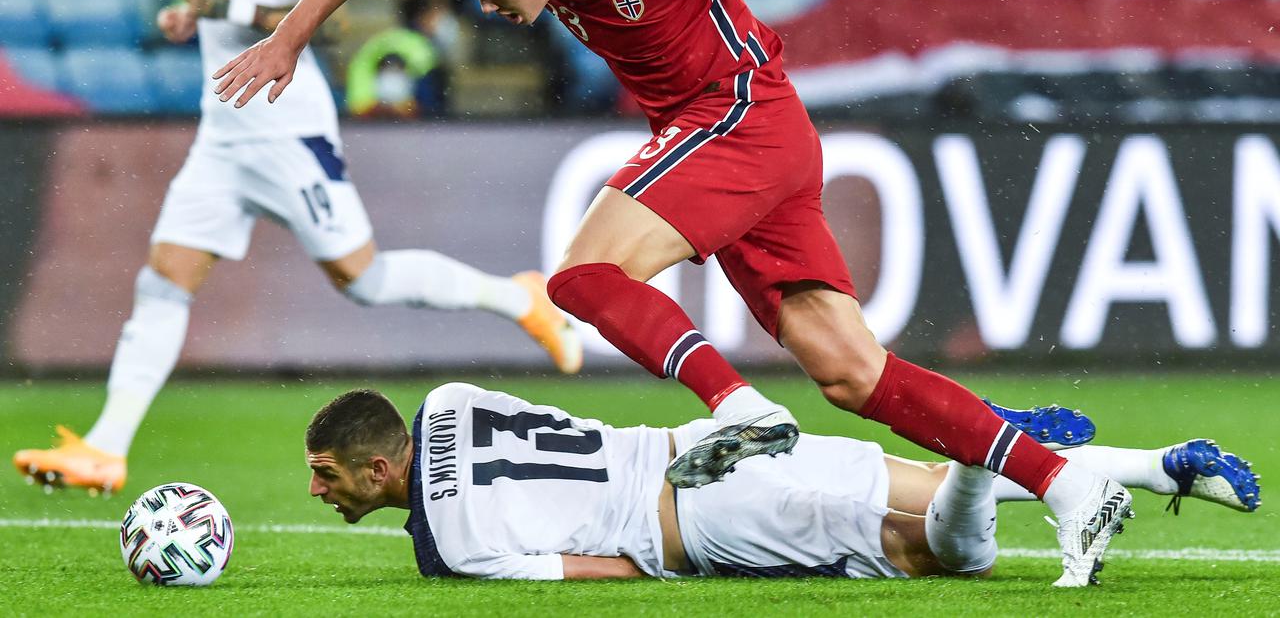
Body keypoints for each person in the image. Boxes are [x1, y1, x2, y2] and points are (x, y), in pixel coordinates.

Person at [210, 0, 1132, 587]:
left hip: (739, 117)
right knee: (855, 375)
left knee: (580, 274)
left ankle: (739, 407)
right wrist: (288, 40)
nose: (492, 11)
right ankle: (1068, 482)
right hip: (727, 136)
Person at [12, 0, 580, 497]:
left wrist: (235, 9)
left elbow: (329, 17)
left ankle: (517, 297)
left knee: (366, 281)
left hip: (285, 131)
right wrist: (196, 14)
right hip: (223, 136)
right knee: (163, 280)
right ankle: (107, 446)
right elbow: (226, 3)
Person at [305, 383, 1262, 582]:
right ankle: (1156, 466)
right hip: (707, 439)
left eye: (327, 474)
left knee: (931, 555)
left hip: (700, 520)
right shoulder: (452, 396)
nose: (318, 491)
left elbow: (610, 573)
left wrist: (675, 565)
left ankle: (985, 454)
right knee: (924, 487)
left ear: (380, 468)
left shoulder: (462, 550)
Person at [346, 0, 451, 117]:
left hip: (363, 113)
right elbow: (427, 98)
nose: (438, 22)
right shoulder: (421, 47)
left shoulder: (381, 38)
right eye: (435, 16)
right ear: (422, 17)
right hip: (399, 117)